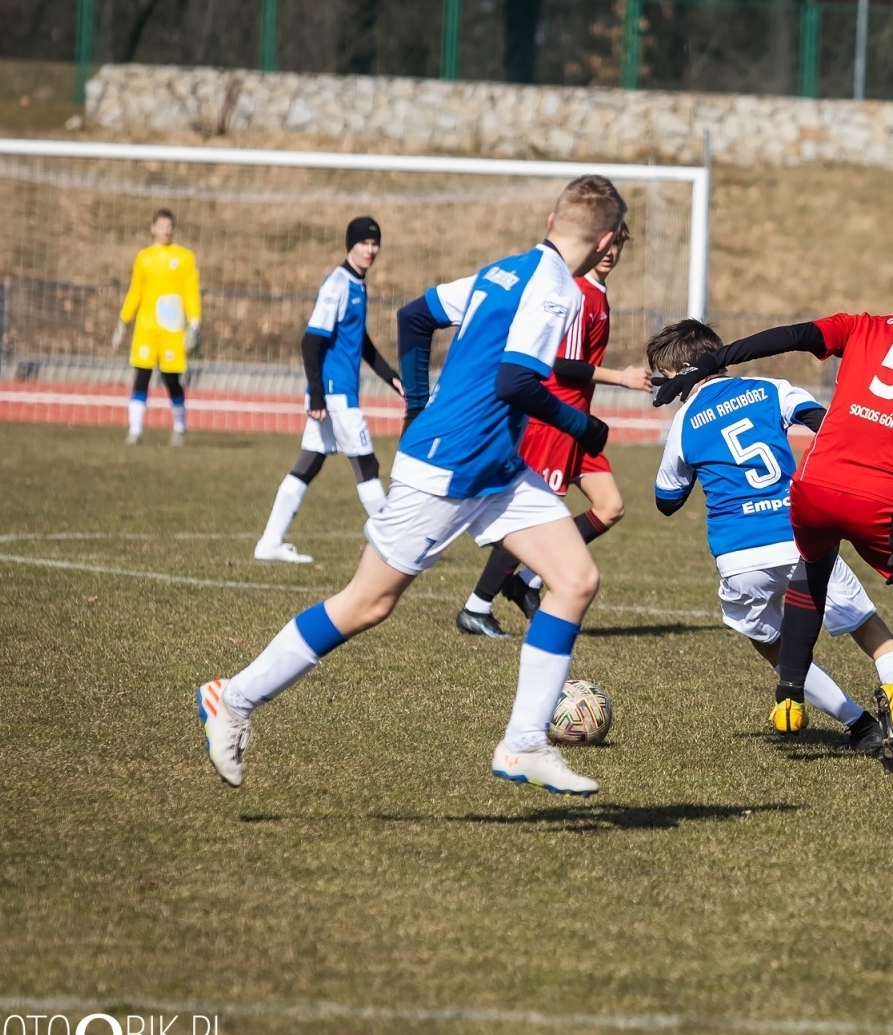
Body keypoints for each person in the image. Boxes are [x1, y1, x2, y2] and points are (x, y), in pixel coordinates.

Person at [199, 176, 625, 797]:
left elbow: (415, 316)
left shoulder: (502, 270)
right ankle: (231, 698)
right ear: (608, 239)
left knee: (576, 579)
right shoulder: (558, 291)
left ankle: (524, 743)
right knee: (367, 603)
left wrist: (417, 402)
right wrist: (582, 425)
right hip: (449, 468)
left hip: (496, 468)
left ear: (551, 216)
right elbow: (516, 384)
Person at [654, 247, 893, 773]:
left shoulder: (861, 327)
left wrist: (718, 359)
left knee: (812, 572)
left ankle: (790, 689)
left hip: (812, 488)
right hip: (882, 499)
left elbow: (790, 335)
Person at [393, 224, 650, 638]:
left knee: (610, 506)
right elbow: (559, 365)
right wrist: (621, 378)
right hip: (557, 418)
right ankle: (478, 604)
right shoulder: (575, 293)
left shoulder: (595, 294)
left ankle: (526, 579)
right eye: (604, 242)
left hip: (578, 420)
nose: (609, 252)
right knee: (527, 515)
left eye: (618, 243)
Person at [253, 217, 402, 565]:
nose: (370, 249)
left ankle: (269, 542)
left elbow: (359, 342)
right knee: (367, 463)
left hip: (336, 392)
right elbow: (311, 341)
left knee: (310, 462)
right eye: (364, 243)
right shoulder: (337, 283)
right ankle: (393, 542)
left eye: (374, 243)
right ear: (350, 244)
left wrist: (391, 377)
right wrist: (317, 395)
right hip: (334, 394)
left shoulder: (357, 284)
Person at [114, 208, 200, 446]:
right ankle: (135, 429)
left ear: (174, 229)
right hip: (146, 328)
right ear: (153, 228)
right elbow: (135, 291)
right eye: (161, 226)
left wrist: (194, 323)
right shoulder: (144, 257)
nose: (166, 230)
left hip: (172, 329)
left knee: (171, 379)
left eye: (169, 226)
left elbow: (191, 292)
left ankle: (180, 427)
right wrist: (124, 319)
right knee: (141, 376)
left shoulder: (184, 257)